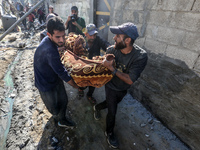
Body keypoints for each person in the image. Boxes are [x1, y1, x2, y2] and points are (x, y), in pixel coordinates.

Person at [93, 22, 148, 148]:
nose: (114, 38)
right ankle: (109, 132)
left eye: (117, 36)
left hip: (123, 88)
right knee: (112, 111)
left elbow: (129, 80)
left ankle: (97, 107)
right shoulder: (112, 50)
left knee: (111, 103)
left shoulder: (140, 56)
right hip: (111, 86)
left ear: (127, 40)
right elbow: (104, 63)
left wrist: (112, 69)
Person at [34, 16, 81, 128]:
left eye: (63, 36)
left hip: (53, 78)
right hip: (45, 84)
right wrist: (76, 85)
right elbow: (62, 72)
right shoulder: (49, 51)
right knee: (54, 107)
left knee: (63, 100)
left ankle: (60, 117)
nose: (62, 40)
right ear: (49, 35)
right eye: (58, 37)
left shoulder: (48, 41)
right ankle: (60, 120)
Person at [80, 23, 111, 104]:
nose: (93, 37)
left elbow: (106, 44)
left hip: (94, 65)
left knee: (93, 82)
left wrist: (111, 49)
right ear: (86, 34)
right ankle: (80, 89)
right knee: (81, 80)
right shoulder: (81, 42)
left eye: (94, 35)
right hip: (83, 65)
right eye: (91, 35)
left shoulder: (98, 40)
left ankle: (89, 95)